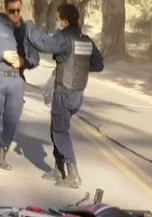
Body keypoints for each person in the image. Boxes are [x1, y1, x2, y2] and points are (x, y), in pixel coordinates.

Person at [23, 3, 103, 189]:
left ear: (65, 22)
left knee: (60, 132)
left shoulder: (65, 39)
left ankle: (73, 174)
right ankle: (59, 169)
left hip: (64, 92)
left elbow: (41, 43)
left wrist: (28, 24)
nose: (56, 22)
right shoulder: (86, 40)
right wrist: (78, 66)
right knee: (57, 128)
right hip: (77, 94)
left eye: (58, 19)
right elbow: (98, 65)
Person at [0, 0, 39, 172]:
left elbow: (35, 58)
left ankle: (2, 153)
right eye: (12, 11)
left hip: (17, 81)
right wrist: (1, 54)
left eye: (19, 10)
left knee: (12, 120)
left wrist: (25, 62)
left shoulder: (27, 30)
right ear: (5, 9)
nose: (16, 14)